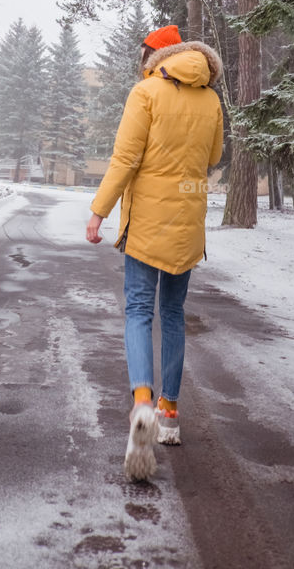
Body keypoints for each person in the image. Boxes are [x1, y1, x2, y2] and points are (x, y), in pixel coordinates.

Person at [85, 24, 224, 481]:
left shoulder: (145, 92)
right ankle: (169, 413)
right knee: (173, 311)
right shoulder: (211, 98)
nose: (141, 60)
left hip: (146, 223)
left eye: (145, 52)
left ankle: (141, 401)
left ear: (159, 55)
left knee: (139, 309)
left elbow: (125, 159)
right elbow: (214, 157)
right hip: (188, 223)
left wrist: (98, 212)